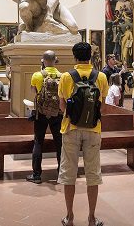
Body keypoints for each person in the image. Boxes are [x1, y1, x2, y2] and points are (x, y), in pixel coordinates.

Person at [58, 42, 108, 226]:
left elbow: (62, 106)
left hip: (70, 128)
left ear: (74, 57)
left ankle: (69, 217)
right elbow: (102, 106)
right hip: (94, 129)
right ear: (90, 56)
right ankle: (92, 218)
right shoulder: (101, 77)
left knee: (69, 173)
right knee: (93, 173)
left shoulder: (66, 77)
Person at [27, 50, 63, 184]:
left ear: (43, 60)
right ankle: (61, 174)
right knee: (60, 144)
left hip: (41, 113)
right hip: (57, 114)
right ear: (55, 60)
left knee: (38, 142)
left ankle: (36, 175)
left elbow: (34, 92)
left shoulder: (37, 75)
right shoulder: (62, 75)